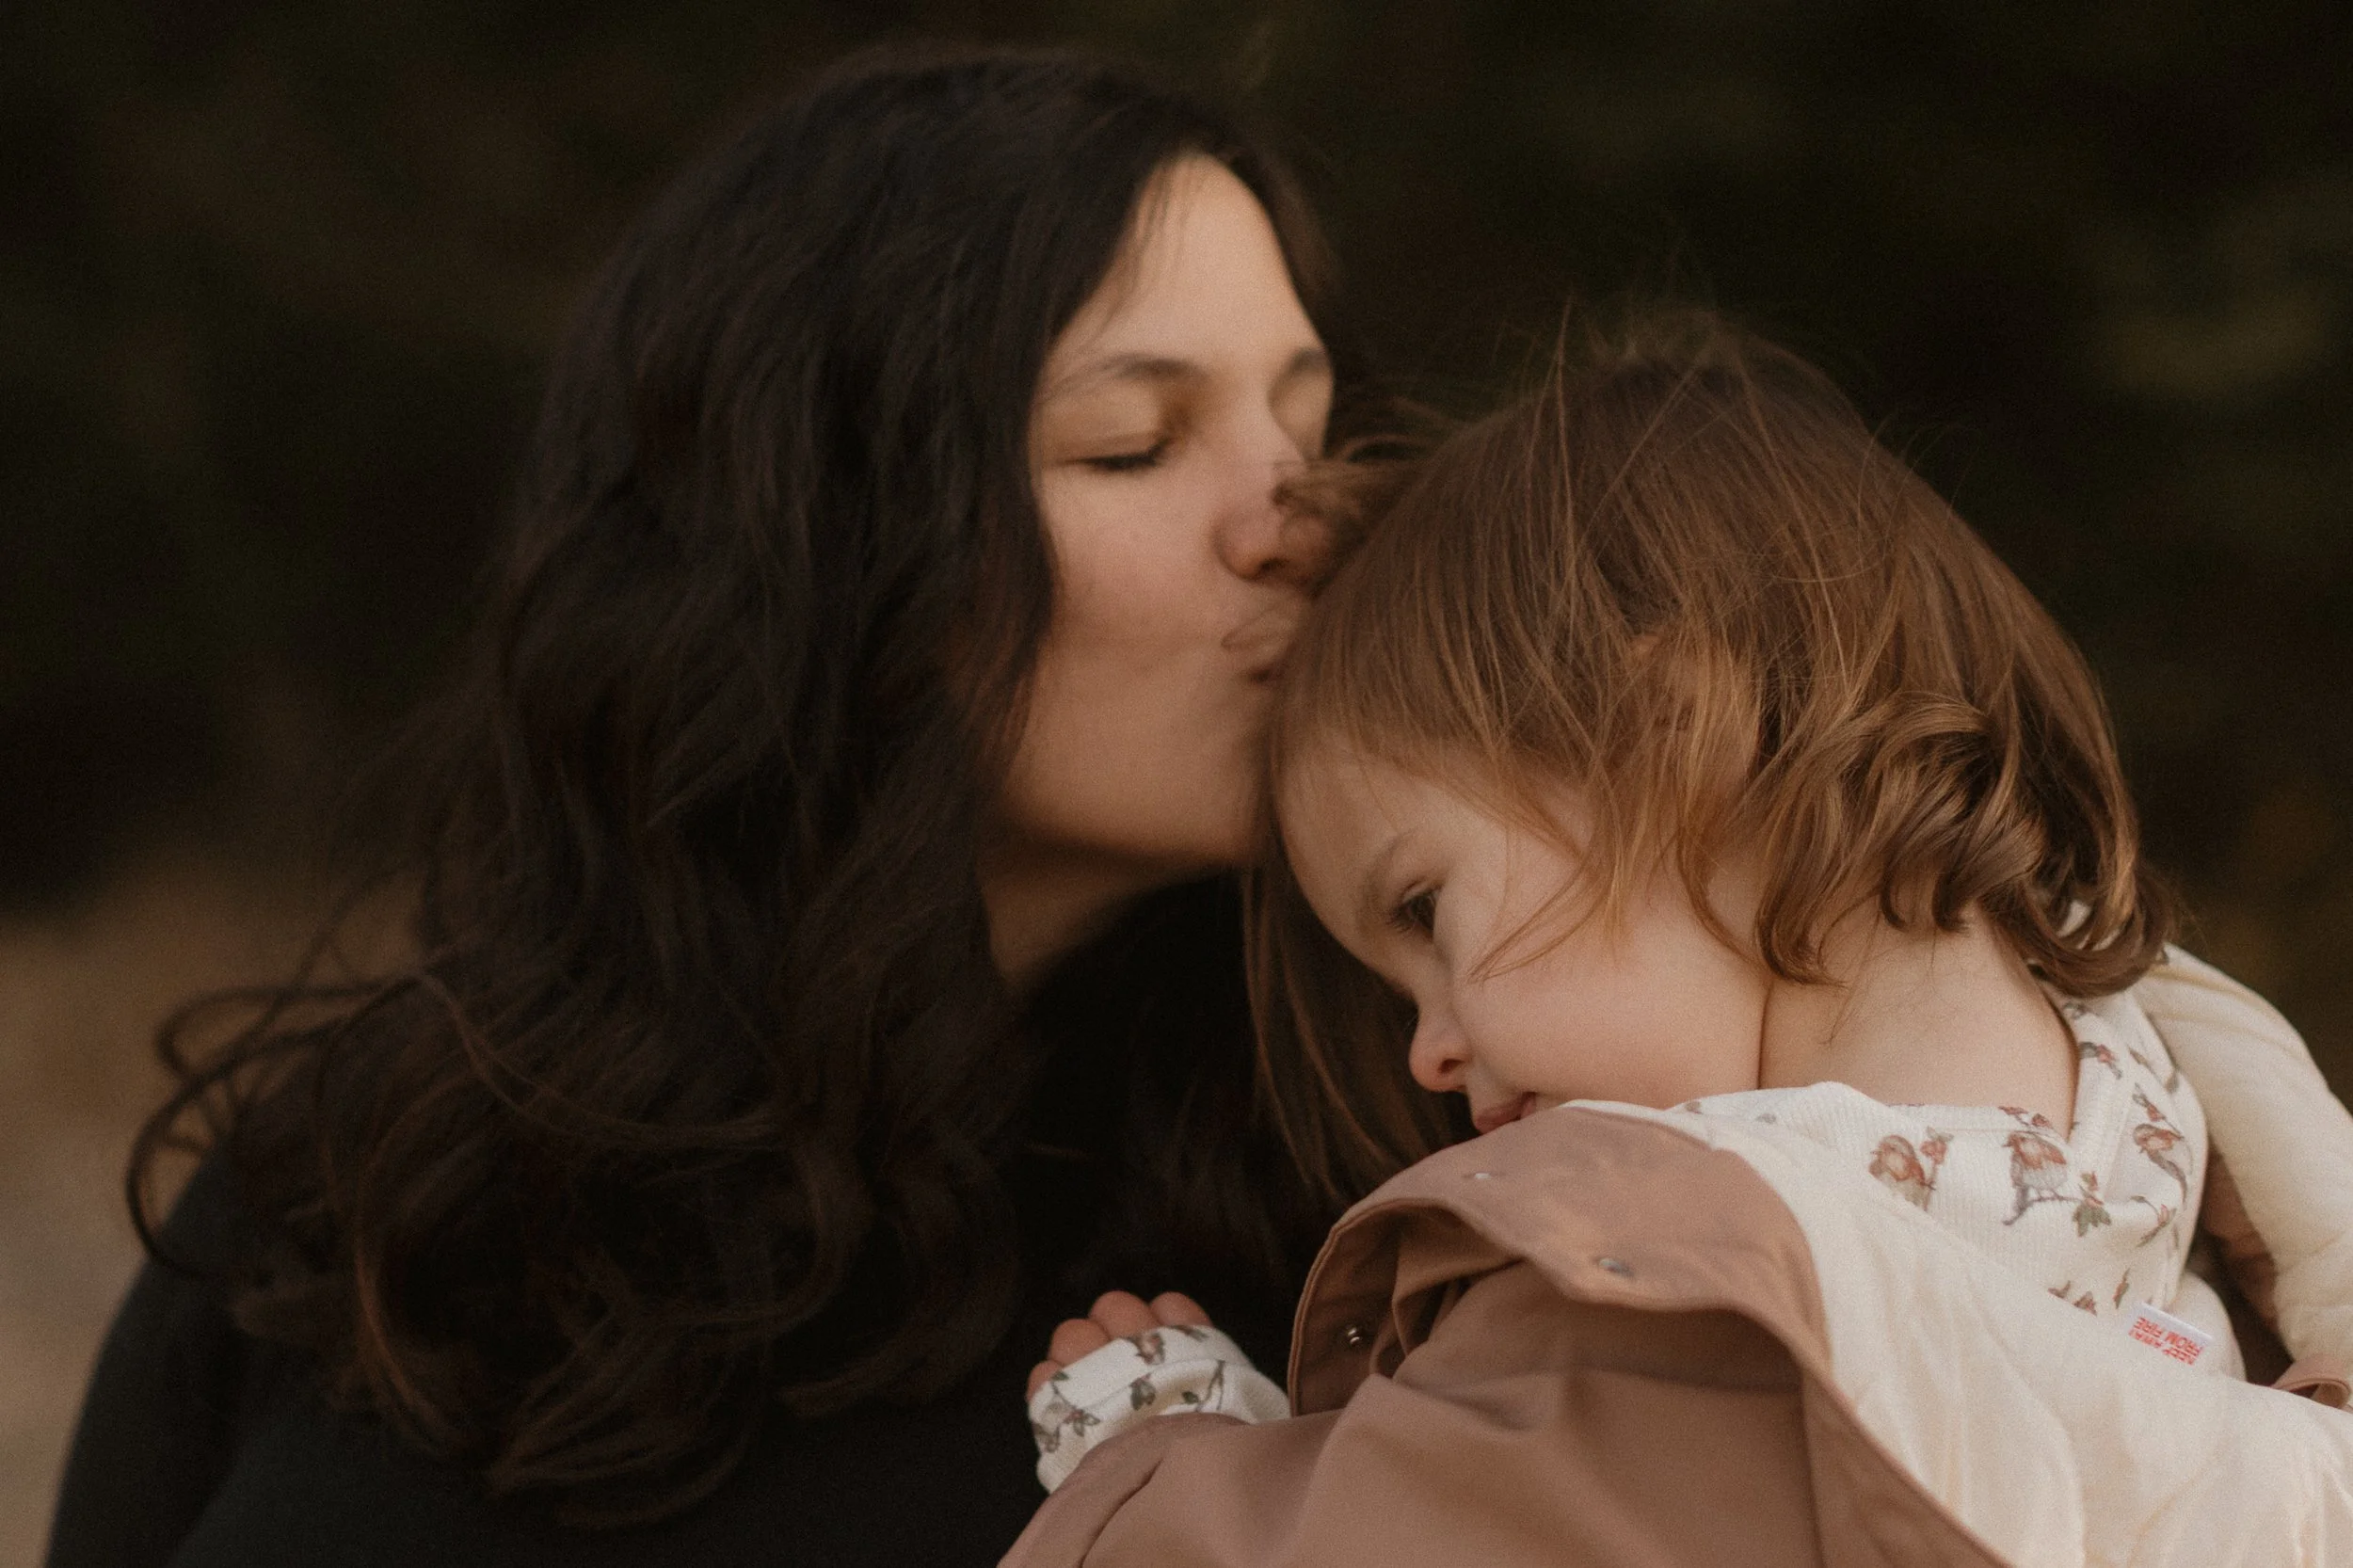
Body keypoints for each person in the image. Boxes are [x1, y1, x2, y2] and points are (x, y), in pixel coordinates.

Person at [44, 41, 1395, 1567]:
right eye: (1135, 443)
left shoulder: (1376, 1231)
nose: (1302, 519)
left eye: (1311, 425)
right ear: (832, 537)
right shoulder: (374, 1195)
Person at [1007, 317, 2353, 1565]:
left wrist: (1151, 1452)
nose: (1426, 1050)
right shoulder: (2171, 1119)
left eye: (1425, 912)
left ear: (1678, 727)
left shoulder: (1676, 1296)